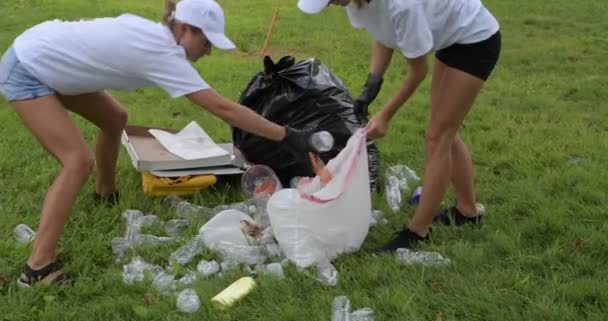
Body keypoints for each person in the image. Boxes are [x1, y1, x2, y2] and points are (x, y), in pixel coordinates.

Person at [0, 0, 319, 287]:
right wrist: (286, 135)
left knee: (115, 118)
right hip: (28, 69)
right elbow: (222, 108)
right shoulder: (162, 53)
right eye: (206, 41)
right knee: (77, 161)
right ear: (183, 29)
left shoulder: (154, 33)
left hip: (44, 54)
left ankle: (106, 193)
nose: (207, 52)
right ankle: (37, 269)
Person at [298, 0, 501, 251]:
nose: (333, 5)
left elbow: (418, 70)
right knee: (442, 133)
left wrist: (384, 115)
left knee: (438, 137)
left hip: (474, 40)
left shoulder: (403, 5)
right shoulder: (357, 2)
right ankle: (467, 211)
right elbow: (384, 34)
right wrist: (373, 81)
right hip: (449, 38)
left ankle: (418, 231)